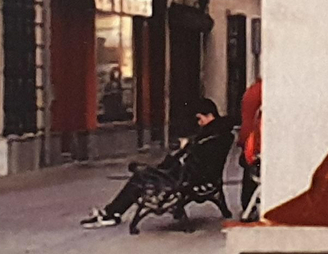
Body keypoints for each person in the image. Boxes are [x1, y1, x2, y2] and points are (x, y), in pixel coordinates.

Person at [81, 98, 231, 229]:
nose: (199, 123)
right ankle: (112, 211)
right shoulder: (220, 133)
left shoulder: (209, 138)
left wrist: (185, 148)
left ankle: (111, 213)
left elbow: (194, 159)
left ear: (209, 115)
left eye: (200, 118)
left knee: (139, 177)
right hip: (200, 177)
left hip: (186, 177)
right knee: (146, 172)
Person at [236, 79, 262, 221]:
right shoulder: (263, 91)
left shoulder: (253, 90)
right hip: (254, 141)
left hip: (249, 139)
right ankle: (248, 207)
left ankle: (247, 206)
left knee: (248, 174)